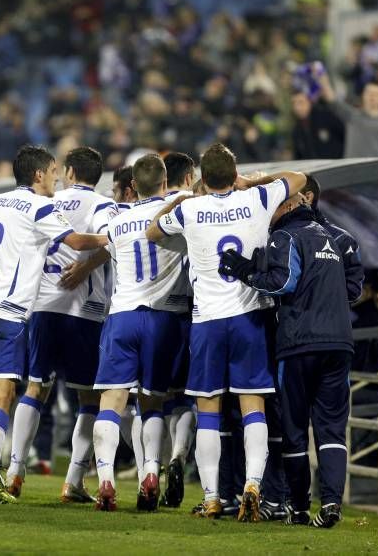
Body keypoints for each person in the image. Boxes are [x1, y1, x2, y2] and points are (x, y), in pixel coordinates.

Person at [147, 143, 306, 521]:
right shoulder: (257, 199)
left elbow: (154, 231)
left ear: (203, 176)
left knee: (209, 411)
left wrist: (183, 198)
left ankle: (213, 496)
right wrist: (252, 181)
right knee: (253, 407)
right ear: (234, 173)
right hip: (250, 317)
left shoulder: (190, 208)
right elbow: (298, 179)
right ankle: (253, 482)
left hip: (207, 321)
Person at [0, 144, 108, 504]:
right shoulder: (62, 205)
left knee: (7, 390)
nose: (56, 175)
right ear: (40, 174)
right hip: (24, 309)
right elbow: (76, 240)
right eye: (51, 169)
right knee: (13, 391)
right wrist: (116, 236)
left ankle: (4, 471)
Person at [219, 195, 358, 528]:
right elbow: (352, 287)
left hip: (299, 344)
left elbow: (283, 282)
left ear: (288, 206)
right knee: (332, 430)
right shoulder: (335, 238)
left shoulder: (286, 235)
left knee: (294, 430)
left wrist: (242, 270)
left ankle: (297, 507)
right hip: (339, 344)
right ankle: (331, 504)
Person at [4, 146, 115, 504]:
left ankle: (14, 471)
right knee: (89, 398)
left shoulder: (48, 201)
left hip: (43, 305)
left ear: (69, 172)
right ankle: (73, 482)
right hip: (84, 310)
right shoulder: (102, 205)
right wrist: (85, 267)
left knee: (35, 388)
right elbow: (112, 242)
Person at [91, 154, 189, 512]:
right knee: (153, 404)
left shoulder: (118, 222)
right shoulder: (178, 213)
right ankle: (150, 472)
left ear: (133, 186)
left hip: (122, 316)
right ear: (166, 181)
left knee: (111, 404)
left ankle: (105, 479)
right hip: (162, 319)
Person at [157, 151, 197, 509]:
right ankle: (179, 456)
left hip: (153, 313)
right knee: (186, 397)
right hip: (189, 313)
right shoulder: (194, 205)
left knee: (156, 398)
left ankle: (152, 467)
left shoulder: (152, 211)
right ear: (188, 178)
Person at [300, 175, 363, 302]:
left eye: (286, 196)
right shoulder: (275, 236)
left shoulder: (341, 239)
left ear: (307, 197)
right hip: (288, 321)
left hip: (325, 320)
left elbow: (353, 290)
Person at [320, 73, 378, 157]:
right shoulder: (352, 115)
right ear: (363, 96)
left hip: (375, 169)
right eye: (368, 93)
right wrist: (322, 77)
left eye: (376, 94)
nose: (372, 97)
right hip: (351, 168)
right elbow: (332, 99)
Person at [290, 91, 345, 160]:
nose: (297, 108)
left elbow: (344, 135)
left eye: (301, 102)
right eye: (294, 103)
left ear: (310, 102)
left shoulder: (326, 117)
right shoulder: (296, 131)